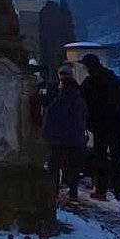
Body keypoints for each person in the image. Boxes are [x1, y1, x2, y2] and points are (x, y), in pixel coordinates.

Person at [79, 53, 120, 201]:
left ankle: (101, 189)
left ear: (88, 66)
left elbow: (82, 102)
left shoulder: (90, 82)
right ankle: (119, 189)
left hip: (100, 125)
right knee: (116, 157)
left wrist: (87, 122)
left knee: (100, 158)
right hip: (116, 123)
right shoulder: (114, 80)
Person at [42, 63, 88, 200]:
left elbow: (49, 119)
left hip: (57, 140)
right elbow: (84, 118)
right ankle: (73, 192)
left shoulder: (57, 102)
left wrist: (45, 136)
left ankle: (53, 191)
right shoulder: (80, 102)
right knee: (73, 168)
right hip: (75, 140)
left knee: (54, 167)